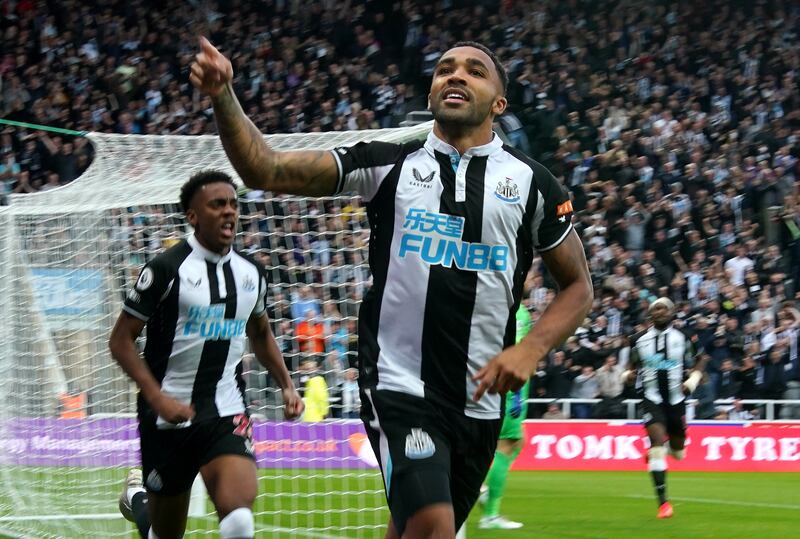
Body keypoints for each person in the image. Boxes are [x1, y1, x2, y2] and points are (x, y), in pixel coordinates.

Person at [191, 38, 593, 538]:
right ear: (430, 93)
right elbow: (264, 168)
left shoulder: (533, 184)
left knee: (410, 529)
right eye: (444, 68)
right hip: (399, 384)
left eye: (474, 71)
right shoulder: (386, 162)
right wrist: (224, 94)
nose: (455, 75)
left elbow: (578, 285)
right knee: (431, 524)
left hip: (480, 403)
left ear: (498, 102)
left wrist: (532, 348)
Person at [109, 170, 304, 539]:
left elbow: (260, 332)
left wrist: (287, 386)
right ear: (193, 216)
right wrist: (157, 397)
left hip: (225, 410)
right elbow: (120, 340)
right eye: (217, 205)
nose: (229, 212)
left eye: (233, 204)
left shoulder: (251, 273)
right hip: (166, 417)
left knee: (240, 522)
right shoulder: (165, 270)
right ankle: (139, 500)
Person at [623, 298, 707, 519]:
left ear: (673, 312)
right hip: (651, 399)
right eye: (655, 309)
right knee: (658, 445)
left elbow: (700, 359)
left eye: (664, 308)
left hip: (677, 400)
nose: (659, 312)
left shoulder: (684, 337)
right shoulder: (638, 340)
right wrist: (628, 376)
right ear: (650, 315)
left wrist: (692, 380)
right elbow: (631, 367)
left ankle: (658, 453)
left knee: (678, 452)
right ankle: (663, 504)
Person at [477, 301, 532, 530]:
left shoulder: (517, 309)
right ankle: (490, 514)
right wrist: (517, 393)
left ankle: (481, 493)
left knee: (519, 440)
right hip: (510, 385)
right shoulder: (516, 311)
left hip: (508, 383)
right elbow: (516, 350)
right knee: (507, 444)